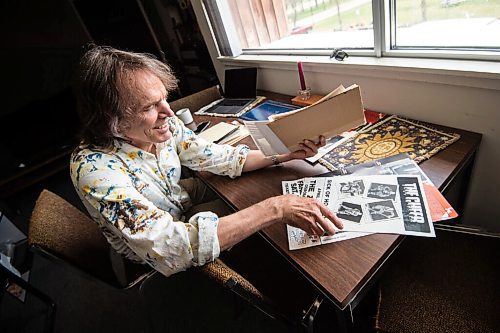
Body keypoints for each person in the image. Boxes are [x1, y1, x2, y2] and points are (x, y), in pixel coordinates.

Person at [70, 45, 343, 278]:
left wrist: (284, 153)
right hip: (154, 255)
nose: (169, 112)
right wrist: (275, 209)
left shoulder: (162, 125)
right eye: (149, 107)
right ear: (111, 123)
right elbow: (173, 248)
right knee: (266, 216)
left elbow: (215, 156)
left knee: (256, 196)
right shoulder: (94, 170)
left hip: (180, 199)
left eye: (164, 99)